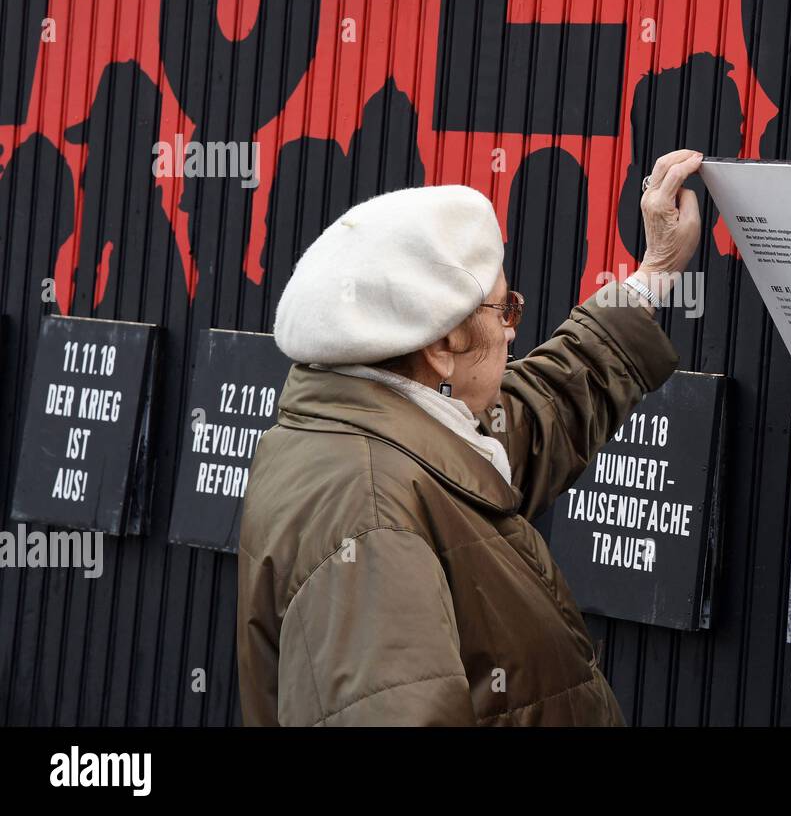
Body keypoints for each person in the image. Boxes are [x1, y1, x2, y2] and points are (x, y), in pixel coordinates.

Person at [236, 149, 705, 726]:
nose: (514, 328)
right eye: (504, 308)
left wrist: (653, 275)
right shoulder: (373, 513)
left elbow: (532, 421)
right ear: (442, 346)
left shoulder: (376, 426)